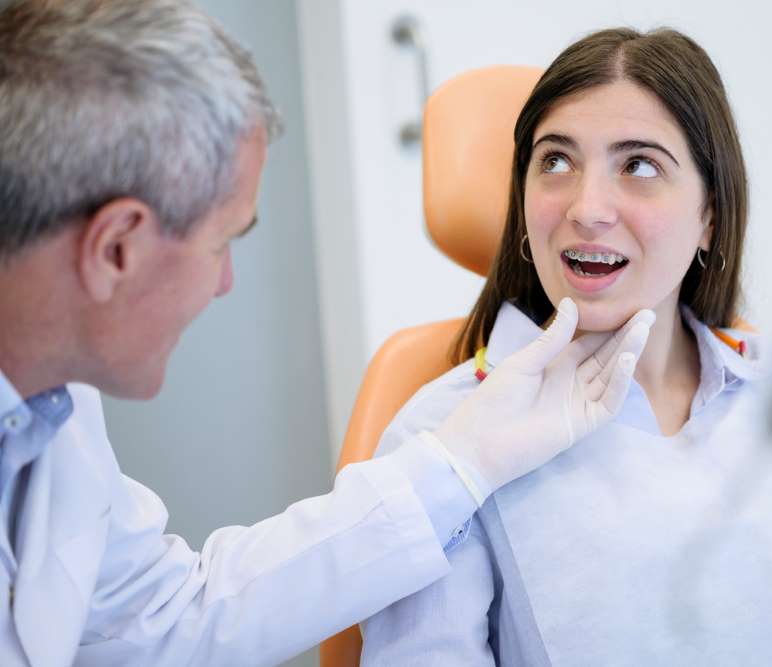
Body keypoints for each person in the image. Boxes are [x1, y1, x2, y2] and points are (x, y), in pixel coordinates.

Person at [0, 2, 654, 665]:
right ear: (115, 248)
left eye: (640, 167)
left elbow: (167, 613)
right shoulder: (433, 401)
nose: (224, 282)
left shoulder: (50, 406)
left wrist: (459, 464)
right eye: (222, 244)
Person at [359, 27, 772, 665]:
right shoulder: (443, 441)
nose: (587, 207)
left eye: (638, 165)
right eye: (555, 160)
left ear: (710, 216)